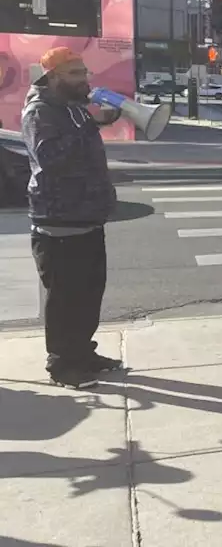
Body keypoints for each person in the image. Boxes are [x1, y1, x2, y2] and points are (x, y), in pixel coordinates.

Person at [22, 47, 123, 389]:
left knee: (88, 293)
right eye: (75, 74)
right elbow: (51, 158)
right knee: (66, 297)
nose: (84, 80)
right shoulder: (40, 112)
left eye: (84, 73)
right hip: (58, 219)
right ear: (53, 77)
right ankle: (63, 364)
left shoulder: (71, 109)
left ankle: (83, 354)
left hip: (86, 216)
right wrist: (90, 125)